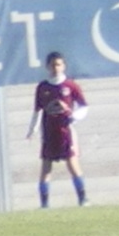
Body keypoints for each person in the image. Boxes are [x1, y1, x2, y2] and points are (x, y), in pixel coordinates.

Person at [26, 52, 89, 208]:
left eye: (59, 64)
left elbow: (84, 106)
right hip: (49, 132)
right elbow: (37, 110)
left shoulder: (70, 85)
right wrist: (32, 130)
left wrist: (73, 116)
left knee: (72, 164)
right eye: (53, 65)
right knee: (46, 167)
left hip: (65, 131)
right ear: (47, 66)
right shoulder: (43, 87)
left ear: (64, 66)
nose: (56, 68)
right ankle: (44, 204)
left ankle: (83, 199)